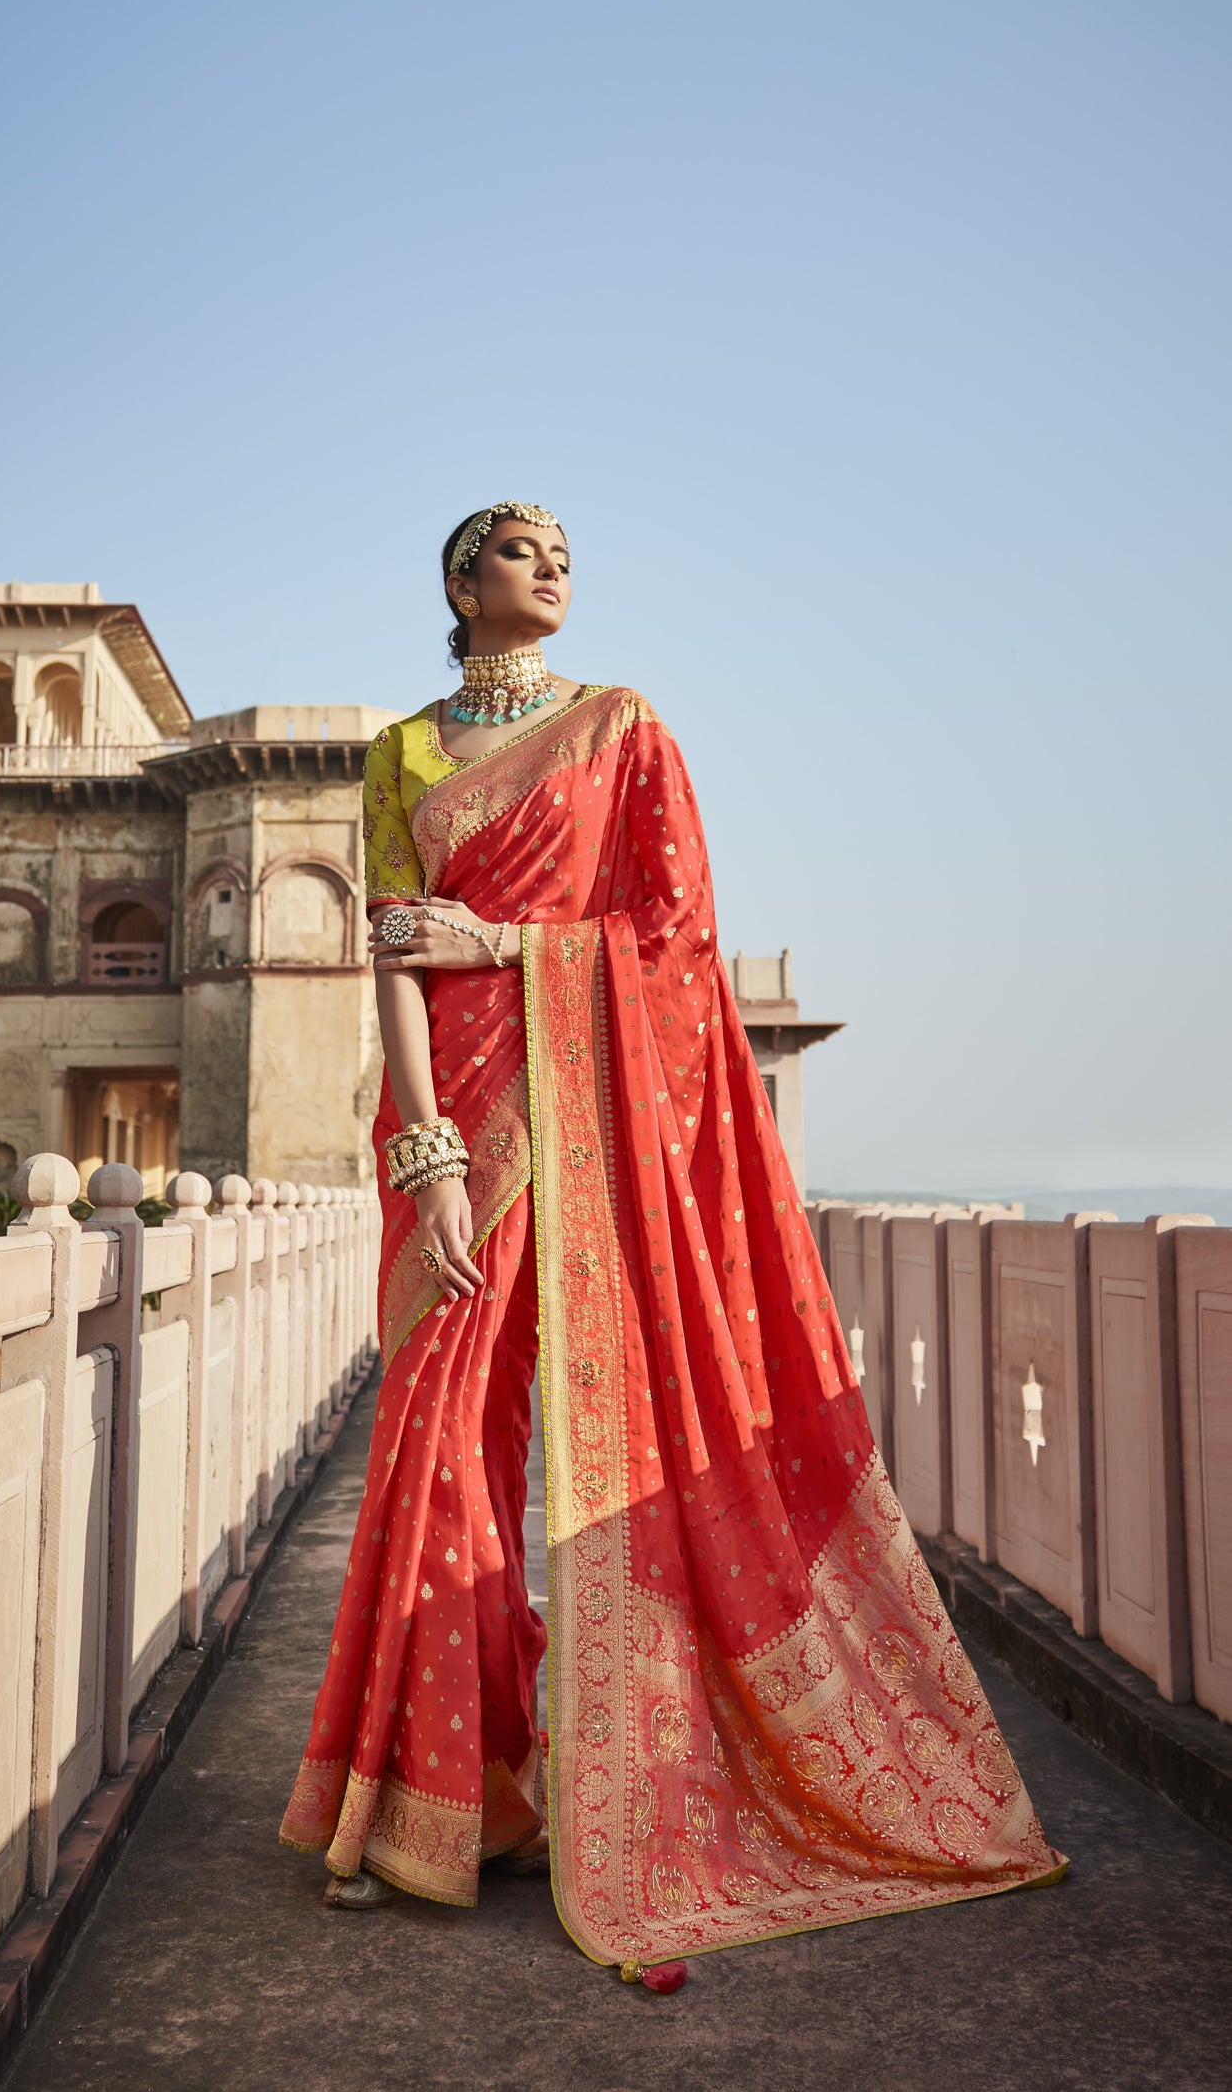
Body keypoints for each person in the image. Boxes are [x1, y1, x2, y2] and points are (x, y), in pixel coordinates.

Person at [280, 502, 1064, 1982]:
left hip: (592, 1126)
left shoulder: (622, 727)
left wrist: (507, 944)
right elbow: (391, 955)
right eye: (521, 549)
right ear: (460, 583)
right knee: (435, 1434)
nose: (555, 566)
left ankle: (624, 1779)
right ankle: (435, 1801)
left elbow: (678, 931)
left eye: (564, 550)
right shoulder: (398, 754)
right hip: (458, 1127)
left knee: (620, 1443)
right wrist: (426, 1155)